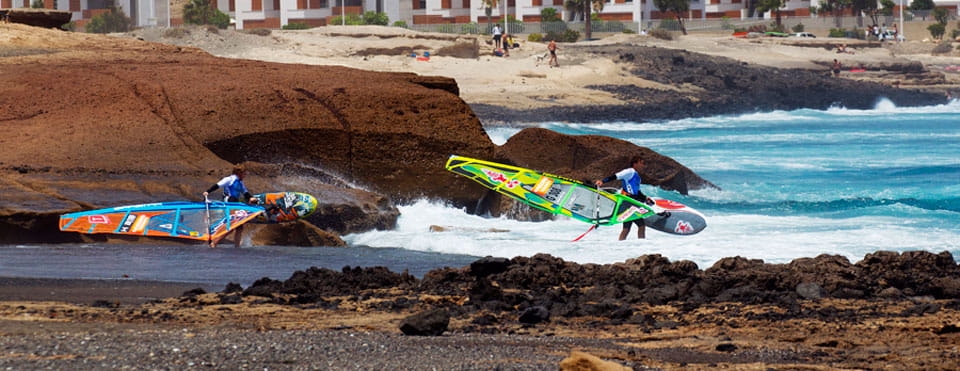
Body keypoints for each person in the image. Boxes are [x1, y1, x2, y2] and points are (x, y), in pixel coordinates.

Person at [595, 156, 654, 240]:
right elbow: (615, 176)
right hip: (628, 203)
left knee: (627, 228)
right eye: (642, 163)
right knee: (641, 225)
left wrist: (645, 198)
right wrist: (603, 181)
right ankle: (641, 245)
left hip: (632, 202)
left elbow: (636, 191)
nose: (643, 165)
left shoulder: (636, 175)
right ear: (635, 163)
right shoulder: (629, 172)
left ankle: (620, 245)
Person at [202, 164, 257, 248]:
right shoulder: (229, 179)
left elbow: (245, 193)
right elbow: (217, 185)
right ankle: (214, 243)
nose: (245, 175)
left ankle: (237, 247)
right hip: (229, 203)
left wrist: (251, 198)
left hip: (236, 203)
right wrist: (208, 191)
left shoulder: (240, 182)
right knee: (231, 225)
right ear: (239, 172)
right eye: (244, 173)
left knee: (239, 227)